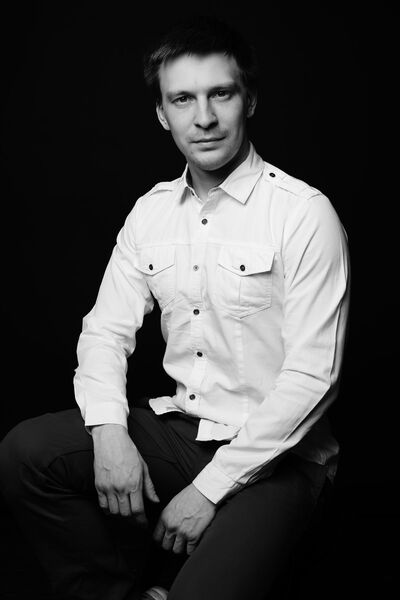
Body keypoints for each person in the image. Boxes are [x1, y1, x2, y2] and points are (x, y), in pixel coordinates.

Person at [0, 15, 350, 600]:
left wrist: (207, 492)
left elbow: (314, 379)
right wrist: (109, 434)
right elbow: (104, 333)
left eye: (221, 94)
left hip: (281, 459)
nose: (203, 117)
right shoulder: (152, 213)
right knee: (25, 454)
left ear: (249, 100)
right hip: (183, 433)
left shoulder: (304, 213)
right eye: (183, 99)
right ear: (163, 114)